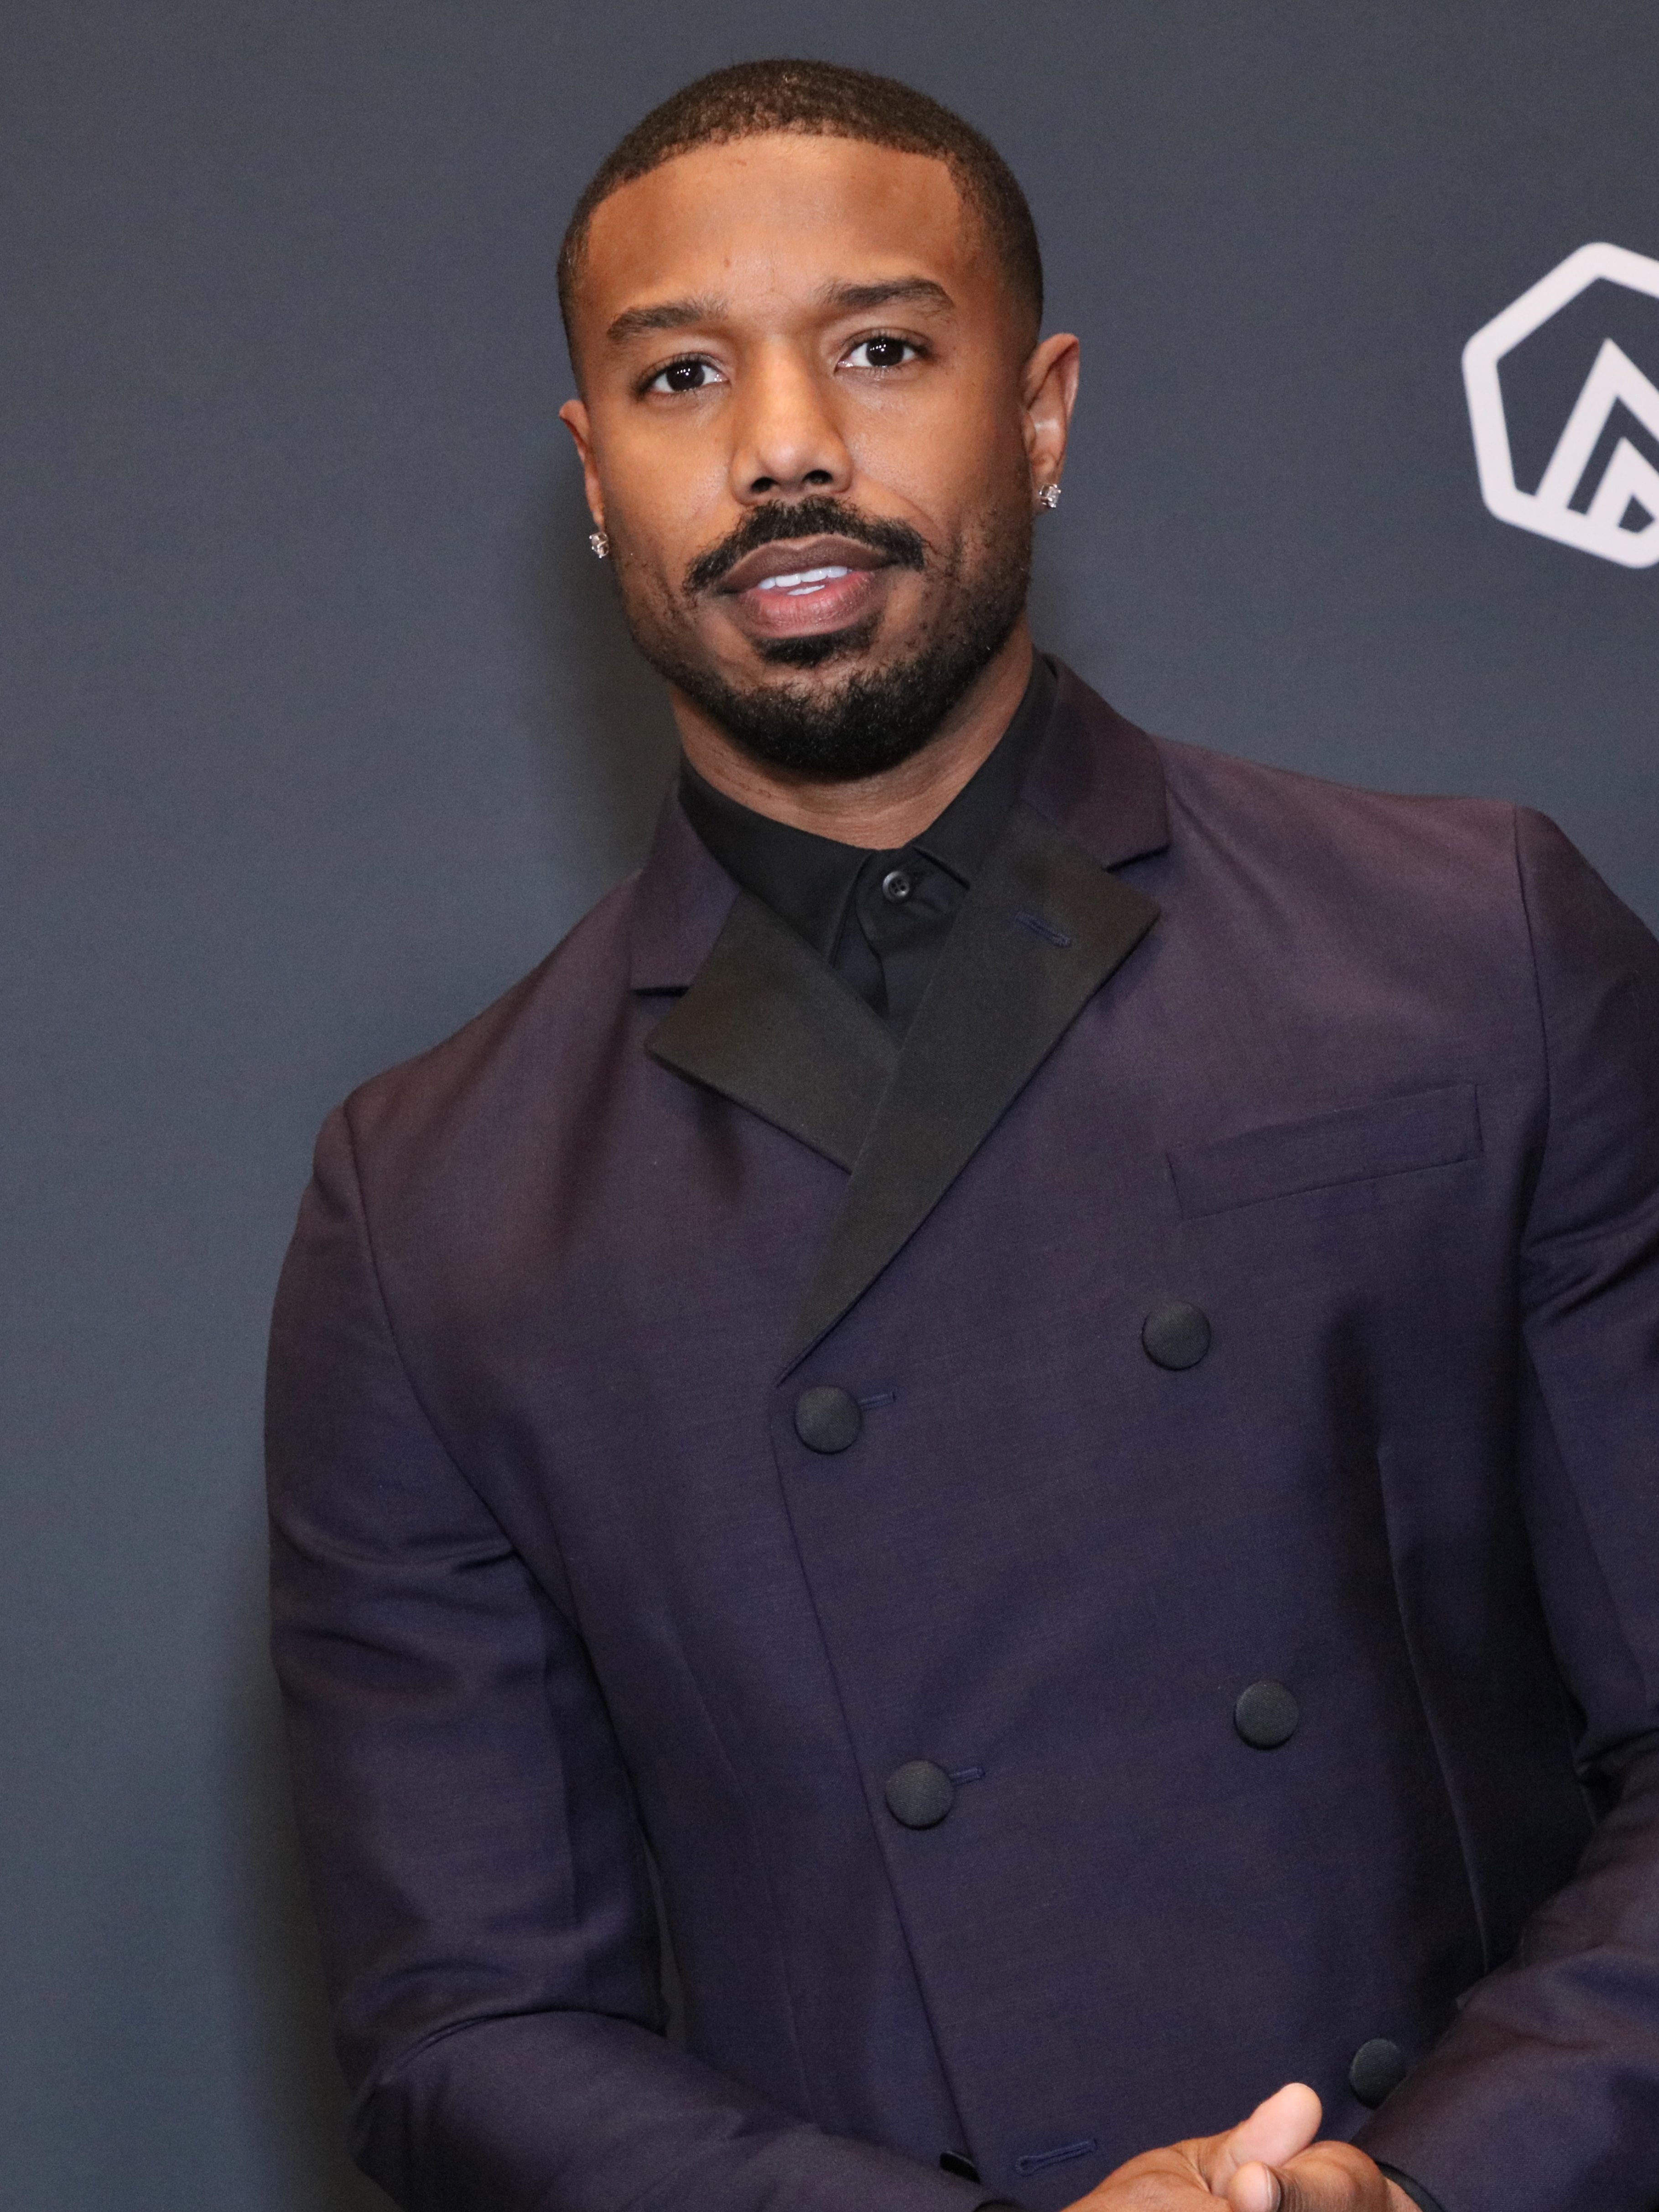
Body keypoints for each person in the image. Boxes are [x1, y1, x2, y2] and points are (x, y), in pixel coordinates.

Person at [265, 58, 1659, 2212]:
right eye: (676, 376)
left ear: (1044, 407)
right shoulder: (432, 1203)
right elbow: (466, 2030)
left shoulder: (1471, 949)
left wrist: (1440, 2183)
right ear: (591, 474)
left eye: (884, 348)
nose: (783, 446)